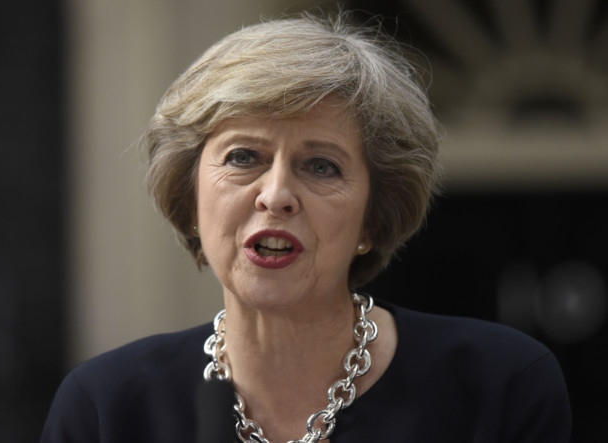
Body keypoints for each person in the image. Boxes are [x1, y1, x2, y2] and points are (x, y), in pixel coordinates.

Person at [41, 10, 571, 443]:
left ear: (373, 218)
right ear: (190, 196)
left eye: (322, 166)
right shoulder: (105, 408)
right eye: (244, 156)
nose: (275, 195)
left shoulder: (501, 384)